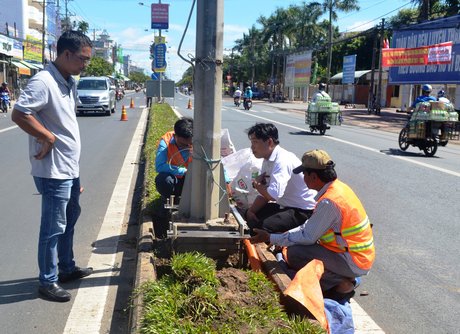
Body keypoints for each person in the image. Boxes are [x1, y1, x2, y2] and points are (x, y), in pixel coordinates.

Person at [11, 30, 94, 303]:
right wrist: (45, 136)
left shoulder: (67, 81)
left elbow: (65, 125)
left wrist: (74, 171)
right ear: (66, 54)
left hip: (68, 168)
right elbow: (20, 112)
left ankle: (67, 268)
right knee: (53, 226)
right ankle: (47, 281)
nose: (85, 65)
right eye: (82, 59)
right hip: (53, 171)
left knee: (70, 219)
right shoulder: (43, 81)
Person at [250, 149, 375, 301]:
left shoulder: (330, 202)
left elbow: (308, 236)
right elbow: (308, 226)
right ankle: (343, 278)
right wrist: (281, 238)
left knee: (295, 254)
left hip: (352, 261)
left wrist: (272, 237)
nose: (303, 178)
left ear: (313, 176)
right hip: (355, 255)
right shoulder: (337, 189)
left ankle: (340, 282)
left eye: (304, 174)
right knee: (293, 248)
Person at [245, 123, 317, 234]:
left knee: (260, 228)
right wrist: (251, 212)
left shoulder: (282, 160)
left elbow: (273, 195)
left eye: (255, 142)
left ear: (269, 142)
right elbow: (265, 193)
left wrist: (257, 186)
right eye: (251, 142)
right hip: (284, 206)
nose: (252, 147)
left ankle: (280, 246)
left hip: (302, 210)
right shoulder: (267, 160)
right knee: (247, 215)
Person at [155, 117, 193, 203]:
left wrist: (226, 181)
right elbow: (159, 166)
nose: (186, 147)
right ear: (175, 136)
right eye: (182, 144)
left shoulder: (198, 141)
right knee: (163, 179)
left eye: (189, 144)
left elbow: (213, 161)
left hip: (194, 179)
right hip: (177, 180)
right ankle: (171, 200)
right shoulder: (166, 141)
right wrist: (184, 171)